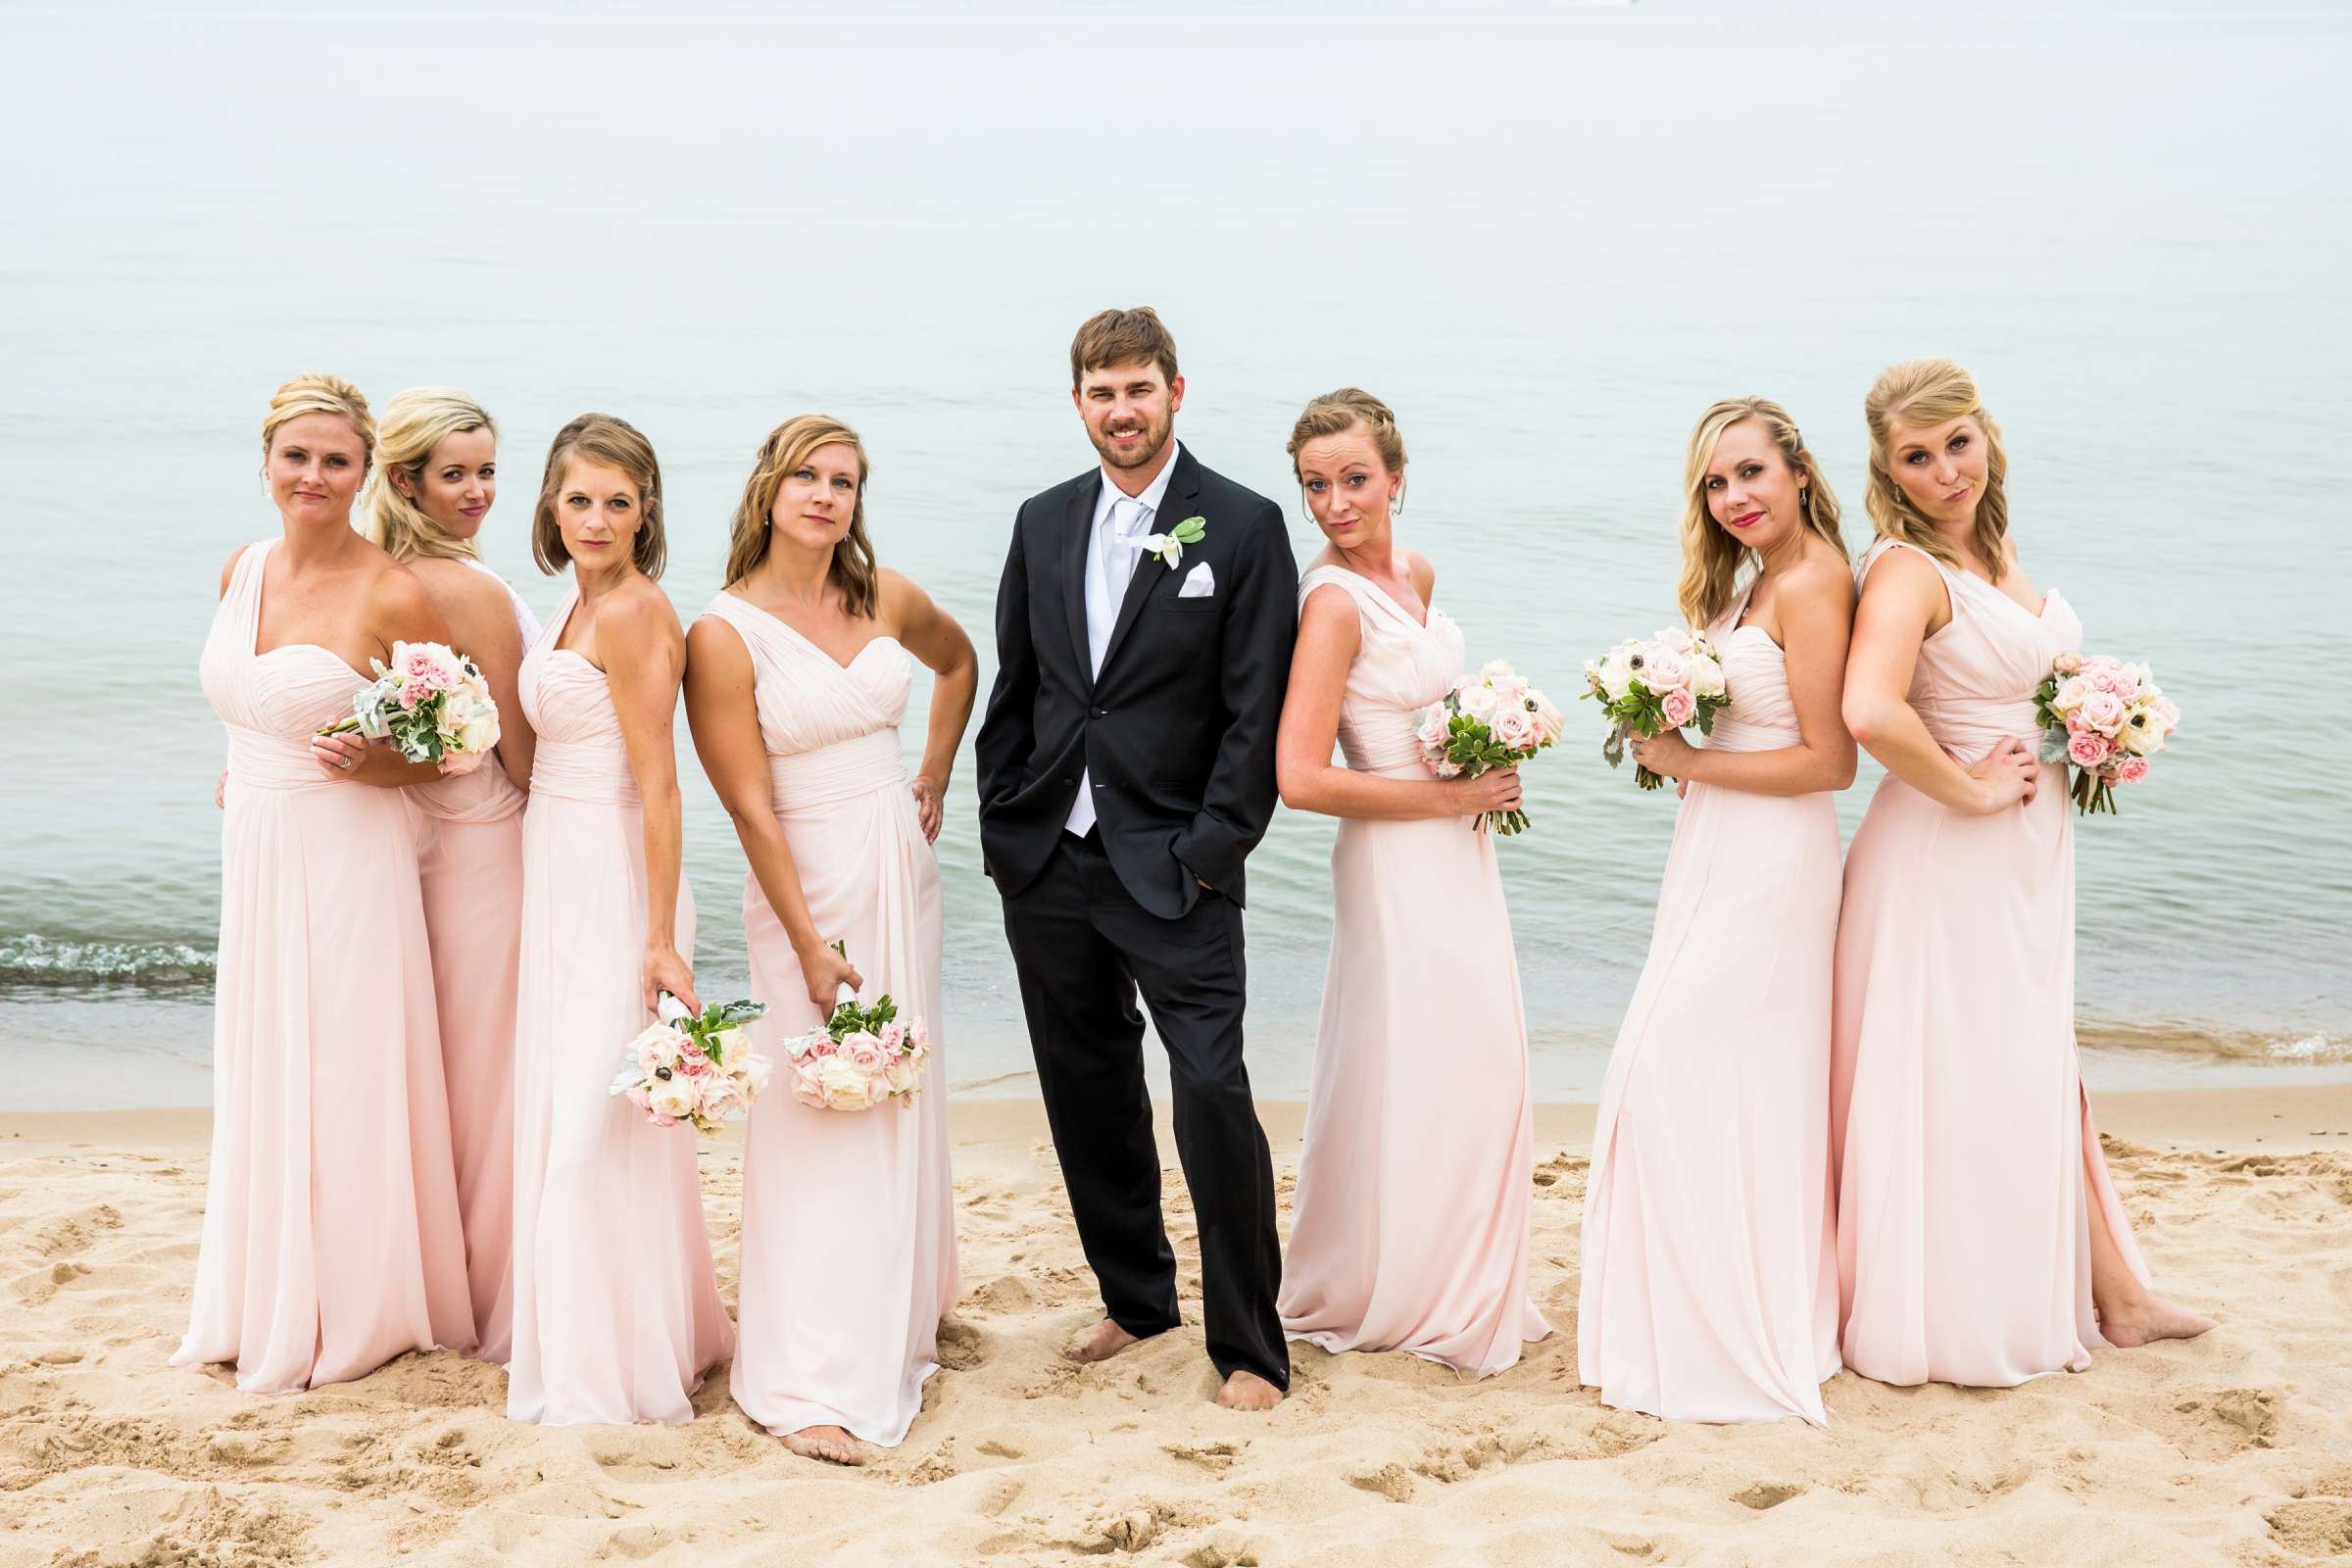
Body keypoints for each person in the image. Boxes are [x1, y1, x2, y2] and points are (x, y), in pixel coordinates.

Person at [1834, 358, 2214, 1388]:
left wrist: (2092, 726)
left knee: (2030, 1064)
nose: (1945, 469)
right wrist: (1968, 789)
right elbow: (1869, 710)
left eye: (1957, 442)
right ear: (1889, 472)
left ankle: (2117, 1295)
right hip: (1943, 858)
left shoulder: (1993, 548)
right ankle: (1997, 1306)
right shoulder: (1907, 569)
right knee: (1977, 1071)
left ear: (1985, 436)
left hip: (2025, 856)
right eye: (1916, 456)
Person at [975, 308, 1298, 1410]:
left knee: (1210, 1090)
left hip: (1178, 864)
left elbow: (1256, 715)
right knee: (1085, 1084)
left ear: (1176, 392)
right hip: (1051, 857)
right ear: (1079, 402)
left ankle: (1250, 1346)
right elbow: (1019, 682)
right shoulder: (1043, 519)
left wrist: (1213, 849)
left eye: (1139, 389)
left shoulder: (1244, 527)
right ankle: (1139, 1294)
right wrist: (1005, 816)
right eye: (1102, 392)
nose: (1122, 410)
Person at [176, 372, 474, 1392]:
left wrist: (381, 762)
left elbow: (453, 743)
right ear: (264, 463)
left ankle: (358, 1300)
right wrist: (246, 756)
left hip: (350, 850)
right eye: (295, 455)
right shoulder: (240, 569)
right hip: (257, 843)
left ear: (363, 475)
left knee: (344, 1060)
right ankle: (265, 1293)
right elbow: (248, 701)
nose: (313, 474)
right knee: (265, 1058)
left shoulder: (393, 590)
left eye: (334, 459)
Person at [686, 415, 975, 1464]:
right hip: (806, 887)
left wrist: (934, 772)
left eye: (843, 481)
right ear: (768, 489)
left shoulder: (882, 594)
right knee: (819, 1108)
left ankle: (903, 1310)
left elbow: (960, 663)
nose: (824, 495)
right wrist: (806, 940)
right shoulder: (721, 633)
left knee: (898, 1085)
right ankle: (807, 1373)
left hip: (902, 869)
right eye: (806, 475)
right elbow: (749, 807)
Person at [1578, 397, 1853, 1423]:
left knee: (1679, 1072)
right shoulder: (1749, 586)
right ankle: (1689, 1314)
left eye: (1750, 473)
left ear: (1797, 471)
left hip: (1773, 865)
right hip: (1715, 848)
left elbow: (1833, 758)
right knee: (1692, 1079)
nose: (1734, 495)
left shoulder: (1816, 582)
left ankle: (1730, 1323)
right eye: (1716, 481)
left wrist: (1691, 758)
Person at [1270, 388, 1548, 1377]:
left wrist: (1484, 736)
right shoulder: (1332, 605)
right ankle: (1396, 1281)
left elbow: (1431, 701)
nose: (1336, 502)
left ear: (1396, 477)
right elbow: (1301, 777)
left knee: (1470, 1061)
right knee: (1414, 1062)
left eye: (1353, 479)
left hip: (1460, 852)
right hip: (1395, 860)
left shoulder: (1417, 571)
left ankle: (1451, 1265)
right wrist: (1447, 796)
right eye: (1315, 485)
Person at [506, 414, 731, 1425]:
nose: (596, 519)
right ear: (552, 506)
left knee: (595, 1119)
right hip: (556, 864)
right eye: (578, 498)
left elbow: (661, 786)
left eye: (618, 502)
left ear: (648, 514)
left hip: (614, 873)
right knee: (567, 1100)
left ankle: (608, 1368)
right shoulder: (572, 601)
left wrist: (658, 934)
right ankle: (615, 1336)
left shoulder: (639, 611)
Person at [356, 386, 537, 1363]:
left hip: (422, 851)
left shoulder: (371, 575)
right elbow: (521, 748)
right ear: (407, 479)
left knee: (451, 1073)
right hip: (490, 852)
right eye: (455, 474)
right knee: (492, 1077)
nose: (477, 492)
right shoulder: (467, 589)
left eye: (487, 471)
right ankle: (496, 1283)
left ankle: (446, 1277)